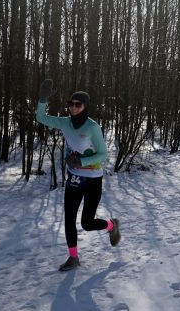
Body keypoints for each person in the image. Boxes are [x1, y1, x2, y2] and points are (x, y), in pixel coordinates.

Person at [36, 79, 120, 272]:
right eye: (71, 104)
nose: (73, 108)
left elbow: (103, 154)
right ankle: (73, 258)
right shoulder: (65, 123)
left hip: (93, 180)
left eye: (78, 104)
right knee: (69, 219)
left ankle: (111, 225)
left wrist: (82, 161)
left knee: (87, 223)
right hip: (74, 179)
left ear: (85, 106)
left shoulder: (92, 127)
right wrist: (42, 99)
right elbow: (41, 118)